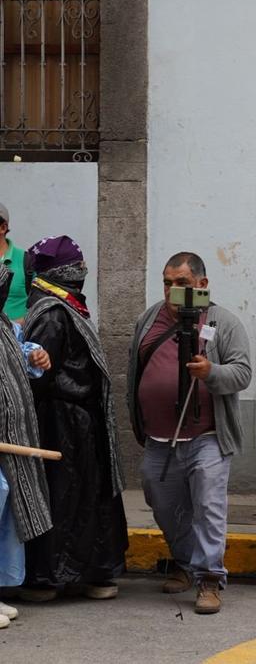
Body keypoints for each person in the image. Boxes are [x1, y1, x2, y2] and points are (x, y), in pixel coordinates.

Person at [127, 252, 252, 615]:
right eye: (167, 282)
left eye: (181, 283)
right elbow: (135, 371)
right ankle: (185, 561)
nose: (172, 290)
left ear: (202, 284)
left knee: (209, 507)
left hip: (207, 437)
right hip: (159, 439)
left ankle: (209, 580)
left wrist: (211, 372)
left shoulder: (224, 322)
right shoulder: (149, 319)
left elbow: (242, 373)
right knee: (162, 504)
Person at [19, 235, 127, 602]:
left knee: (71, 497)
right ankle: (70, 576)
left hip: (70, 423)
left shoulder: (54, 309)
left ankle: (59, 577)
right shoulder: (55, 312)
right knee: (69, 498)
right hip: (62, 422)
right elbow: (36, 373)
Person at [0, 262, 52, 628]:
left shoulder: (3, 324)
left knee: (6, 506)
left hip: (8, 438)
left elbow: (18, 348)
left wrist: (36, 356)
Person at [0, 204, 30, 324]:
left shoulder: (26, 261)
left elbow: (40, 307)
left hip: (17, 340)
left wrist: (14, 327)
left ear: (3, 228)